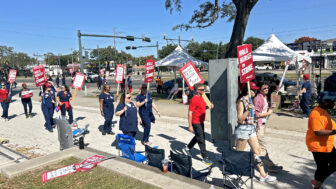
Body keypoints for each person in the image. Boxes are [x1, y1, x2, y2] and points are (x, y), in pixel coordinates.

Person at [235, 82, 277, 182]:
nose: (255, 91)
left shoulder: (251, 100)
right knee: (239, 153)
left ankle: (263, 175)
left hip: (251, 128)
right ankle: (233, 172)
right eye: (253, 89)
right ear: (247, 90)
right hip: (243, 129)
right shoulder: (241, 101)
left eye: (255, 89)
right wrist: (247, 110)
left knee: (257, 152)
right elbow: (240, 119)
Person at [306, 91, 336, 189]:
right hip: (318, 146)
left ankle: (318, 180)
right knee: (322, 167)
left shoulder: (323, 111)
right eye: (332, 102)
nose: (334, 103)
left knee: (329, 165)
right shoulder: (316, 114)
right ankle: (317, 184)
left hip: (327, 145)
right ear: (325, 102)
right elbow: (318, 132)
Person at [253, 83, 283, 173]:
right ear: (260, 90)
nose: (266, 89)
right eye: (264, 88)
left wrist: (270, 107)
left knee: (256, 147)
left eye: (267, 88)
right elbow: (256, 114)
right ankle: (267, 166)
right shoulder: (258, 99)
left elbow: (263, 110)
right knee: (261, 147)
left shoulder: (264, 97)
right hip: (258, 126)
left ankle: (257, 164)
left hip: (262, 125)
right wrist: (268, 113)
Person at [183, 83, 214, 165]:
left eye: (204, 89)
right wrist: (190, 126)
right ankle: (204, 157)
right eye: (202, 89)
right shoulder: (194, 99)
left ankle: (187, 148)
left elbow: (202, 108)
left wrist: (209, 106)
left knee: (198, 136)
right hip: (195, 122)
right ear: (197, 91)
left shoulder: (202, 97)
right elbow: (190, 113)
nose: (204, 90)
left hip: (201, 121)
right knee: (201, 139)